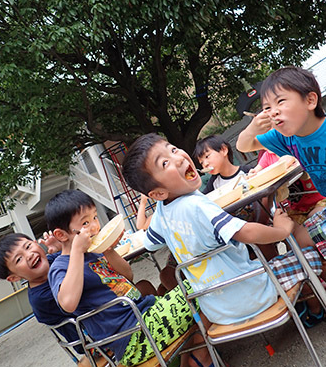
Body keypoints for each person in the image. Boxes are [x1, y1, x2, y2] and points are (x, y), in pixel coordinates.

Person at [121, 133, 325, 329]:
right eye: (164, 163)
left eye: (173, 149)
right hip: (253, 293)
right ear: (158, 192)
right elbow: (247, 233)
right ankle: (315, 308)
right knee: (309, 254)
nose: (177, 158)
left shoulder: (161, 214)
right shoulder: (198, 205)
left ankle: (302, 305)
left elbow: (150, 243)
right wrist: (281, 231)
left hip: (216, 309)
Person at [45, 189, 219, 367]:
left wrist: (107, 249)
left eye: (95, 218)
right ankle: (195, 360)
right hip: (133, 338)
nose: (95, 226)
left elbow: (127, 276)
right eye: (85, 223)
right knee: (200, 285)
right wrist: (78, 253)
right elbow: (68, 304)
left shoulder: (94, 254)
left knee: (200, 280)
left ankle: (192, 355)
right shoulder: (61, 267)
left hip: (147, 316)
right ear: (62, 235)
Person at [236, 66, 326, 261]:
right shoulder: (287, 138)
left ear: (310, 100)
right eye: (267, 108)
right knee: (298, 240)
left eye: (281, 102)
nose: (273, 112)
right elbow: (243, 144)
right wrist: (253, 128)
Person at [0, 233, 92, 365]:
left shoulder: (50, 260)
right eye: (18, 259)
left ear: (36, 243)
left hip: (99, 319)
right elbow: (79, 288)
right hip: (91, 341)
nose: (29, 255)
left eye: (28, 246)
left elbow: (79, 253)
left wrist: (63, 246)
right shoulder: (41, 298)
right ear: (14, 278)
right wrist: (66, 250)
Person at [193, 134, 277, 259]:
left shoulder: (247, 172)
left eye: (207, 156)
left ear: (224, 150)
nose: (204, 164)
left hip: (259, 224)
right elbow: (202, 200)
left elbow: (265, 195)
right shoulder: (214, 183)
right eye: (201, 162)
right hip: (236, 231)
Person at [136, 194, 179, 295]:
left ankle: (189, 301)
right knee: (162, 289)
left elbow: (150, 244)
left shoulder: (175, 203)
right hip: (177, 256)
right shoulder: (162, 210)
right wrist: (143, 201)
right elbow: (140, 225)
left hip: (187, 255)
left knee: (165, 276)